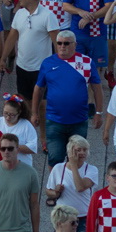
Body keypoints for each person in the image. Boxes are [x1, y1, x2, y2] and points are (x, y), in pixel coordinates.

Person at [34, 30, 104, 167]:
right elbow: (39, 89)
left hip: (78, 121)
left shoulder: (86, 62)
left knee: (77, 160)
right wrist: (34, 113)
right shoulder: (47, 63)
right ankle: (55, 187)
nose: (62, 46)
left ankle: (74, 186)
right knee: (55, 159)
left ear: (75, 44)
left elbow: (97, 88)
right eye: (59, 43)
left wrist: (99, 113)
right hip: (54, 121)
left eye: (66, 43)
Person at [0, 0, 59, 100]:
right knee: (25, 103)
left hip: (41, 69)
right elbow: (11, 38)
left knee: (41, 105)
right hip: (21, 67)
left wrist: (58, 66)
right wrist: (3, 59)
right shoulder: (19, 14)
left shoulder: (48, 16)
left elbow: (57, 43)